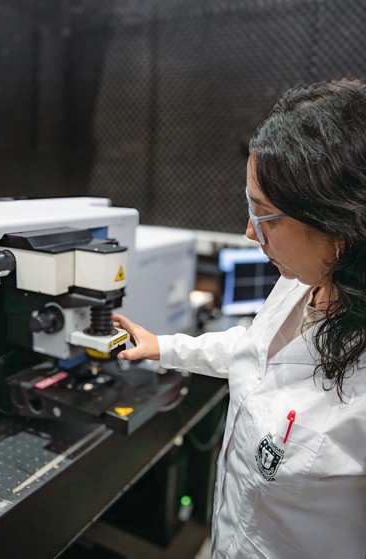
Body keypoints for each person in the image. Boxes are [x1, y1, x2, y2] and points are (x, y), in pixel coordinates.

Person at [113, 78, 366, 559]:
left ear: (339, 228)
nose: (250, 231)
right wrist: (165, 347)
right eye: (250, 205)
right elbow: (257, 350)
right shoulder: (302, 279)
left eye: (265, 215)